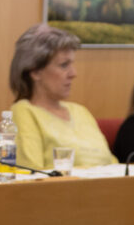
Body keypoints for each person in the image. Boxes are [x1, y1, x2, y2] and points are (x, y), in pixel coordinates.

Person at [7, 23, 115, 169]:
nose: (73, 73)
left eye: (72, 64)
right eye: (64, 65)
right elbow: (30, 175)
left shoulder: (80, 111)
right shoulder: (24, 112)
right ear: (35, 72)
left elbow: (112, 163)